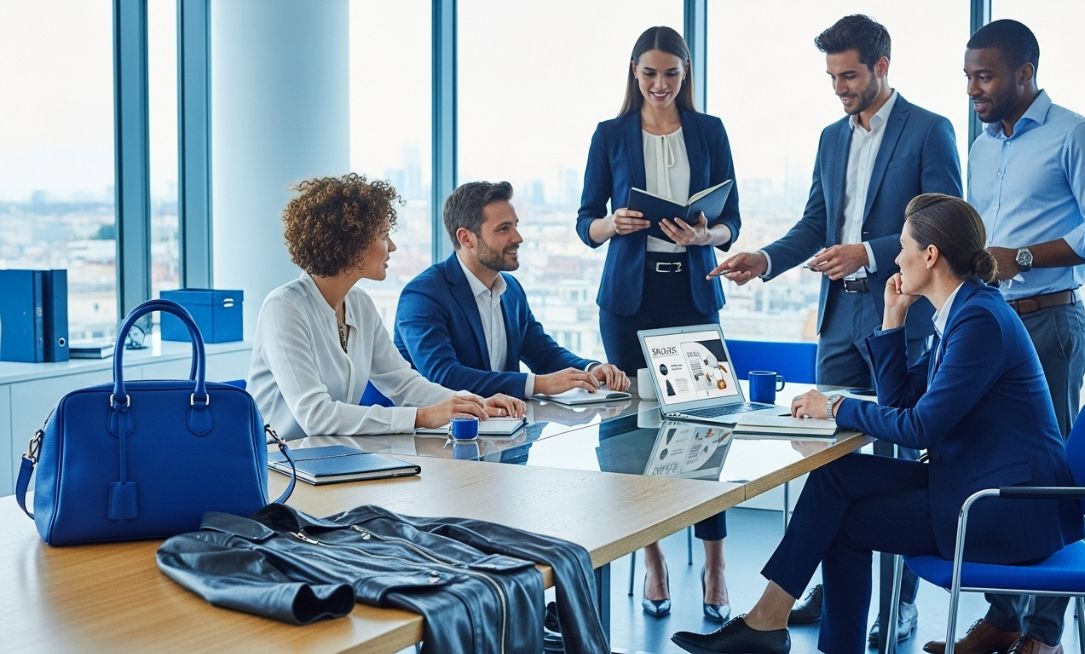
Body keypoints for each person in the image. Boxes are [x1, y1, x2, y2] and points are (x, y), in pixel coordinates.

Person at [672, 193, 1085, 654]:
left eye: (904, 245)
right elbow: (905, 401)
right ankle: (767, 622)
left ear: (930, 256)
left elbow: (918, 427)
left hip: (1002, 508)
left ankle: (773, 627)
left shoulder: (979, 321)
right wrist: (893, 321)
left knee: (843, 524)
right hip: (971, 481)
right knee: (835, 477)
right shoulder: (963, 310)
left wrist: (834, 408)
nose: (895, 256)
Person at [707, 14, 961, 642]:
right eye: (831, 77)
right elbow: (816, 224)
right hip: (839, 318)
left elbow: (947, 223)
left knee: (900, 451)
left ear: (881, 66)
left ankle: (897, 604)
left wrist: (868, 255)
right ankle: (836, 591)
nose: (839, 87)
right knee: (827, 454)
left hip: (901, 309)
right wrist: (764, 259)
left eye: (848, 75)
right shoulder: (830, 138)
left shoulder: (930, 130)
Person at [923, 19, 1085, 654]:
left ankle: (1043, 633)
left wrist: (1026, 257)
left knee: (1051, 475)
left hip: (1047, 318)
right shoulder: (982, 146)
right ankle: (1002, 619)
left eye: (984, 76)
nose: (972, 89)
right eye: (967, 76)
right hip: (989, 322)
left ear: (1025, 74)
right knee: (992, 468)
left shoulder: (1076, 135)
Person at [576, 25, 740, 622]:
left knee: (707, 429)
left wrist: (705, 235)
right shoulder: (610, 134)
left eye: (672, 73)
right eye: (650, 73)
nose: (661, 84)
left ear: (686, 73)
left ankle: (717, 567)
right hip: (628, 298)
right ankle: (653, 560)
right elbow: (584, 220)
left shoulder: (709, 130)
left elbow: (732, 222)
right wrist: (610, 225)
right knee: (632, 428)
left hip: (691, 293)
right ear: (634, 73)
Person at [247, 173, 524, 442]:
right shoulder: (284, 308)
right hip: (278, 467)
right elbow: (315, 415)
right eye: (383, 235)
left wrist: (473, 403)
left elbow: (403, 382)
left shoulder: (360, 304)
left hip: (332, 459)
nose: (391, 246)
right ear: (350, 244)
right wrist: (421, 417)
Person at [395, 180, 628, 398]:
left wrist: (590, 368)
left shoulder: (512, 290)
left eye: (515, 226)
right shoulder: (423, 295)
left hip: (501, 428)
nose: (518, 238)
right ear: (466, 238)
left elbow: (544, 354)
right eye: (503, 229)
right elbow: (444, 377)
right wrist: (538, 384)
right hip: (439, 435)